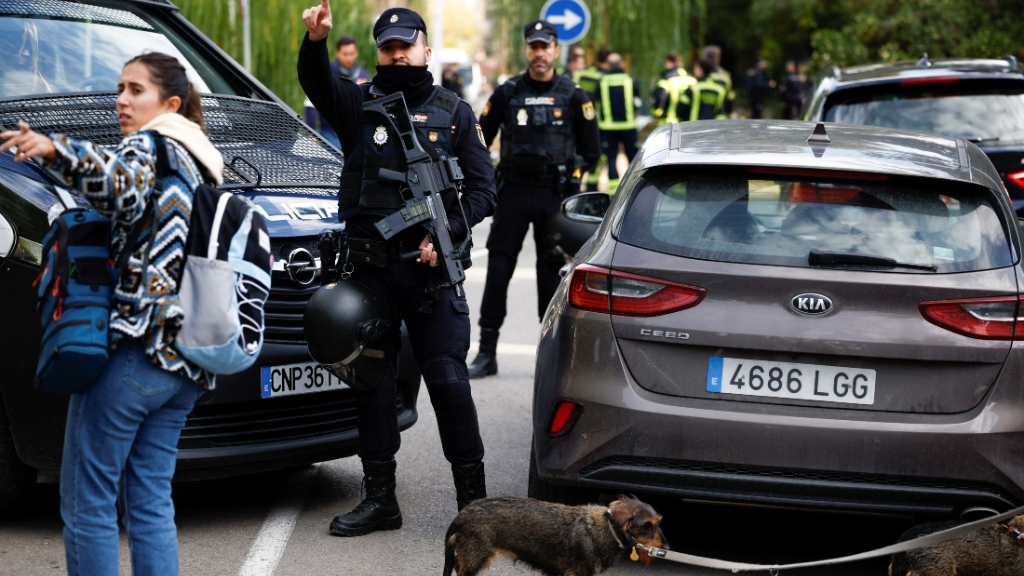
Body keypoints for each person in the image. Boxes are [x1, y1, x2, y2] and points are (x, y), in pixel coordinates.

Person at [0, 52, 223, 576]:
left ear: (170, 103)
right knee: (149, 501)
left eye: (135, 89)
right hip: (184, 361)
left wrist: (56, 149)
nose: (121, 99)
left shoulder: (152, 146)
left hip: (134, 355)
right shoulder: (201, 163)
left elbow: (116, 180)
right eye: (119, 88)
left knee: (87, 503)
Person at [297, 2, 496, 536]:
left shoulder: (454, 111)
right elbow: (316, 82)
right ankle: (381, 500)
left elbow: (483, 191)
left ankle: (473, 508)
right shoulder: (357, 103)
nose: (397, 54)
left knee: (450, 382)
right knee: (372, 383)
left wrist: (447, 231)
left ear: (425, 51)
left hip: (430, 275)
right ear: (378, 52)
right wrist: (315, 42)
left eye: (405, 45)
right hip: (371, 274)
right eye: (388, 46)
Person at [467, 20, 600, 380]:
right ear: (527, 50)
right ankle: (488, 352)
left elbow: (592, 151)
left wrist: (573, 182)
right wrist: (483, 180)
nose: (539, 53)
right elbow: (478, 140)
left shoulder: (574, 95)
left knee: (549, 280)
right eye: (533, 47)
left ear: (556, 51)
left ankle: (550, 357)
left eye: (545, 47)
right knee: (497, 273)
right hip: (512, 193)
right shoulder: (507, 92)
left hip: (553, 198)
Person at [305, 36, 369, 148]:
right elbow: (311, 103)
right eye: (345, 54)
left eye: (352, 53)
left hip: (355, 134)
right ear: (337, 53)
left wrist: (363, 92)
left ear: (357, 53)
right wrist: (310, 132)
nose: (349, 58)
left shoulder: (362, 74)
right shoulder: (326, 73)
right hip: (330, 133)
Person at [596, 52, 640, 193]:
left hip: (608, 128)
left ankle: (613, 193)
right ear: (622, 64)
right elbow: (637, 101)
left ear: (608, 65)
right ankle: (635, 189)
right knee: (633, 159)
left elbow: (597, 100)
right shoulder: (631, 80)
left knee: (611, 159)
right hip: (628, 126)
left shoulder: (602, 81)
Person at [702, 45, 735, 118]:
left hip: (700, 117)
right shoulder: (724, 76)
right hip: (719, 116)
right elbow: (729, 98)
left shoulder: (700, 74)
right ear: (718, 59)